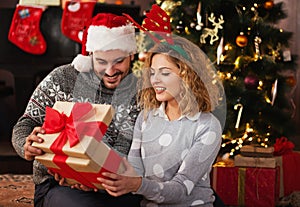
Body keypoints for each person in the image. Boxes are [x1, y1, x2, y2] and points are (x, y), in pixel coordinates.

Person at [11, 13, 143, 207]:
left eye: (119, 61)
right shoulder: (63, 78)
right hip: (58, 185)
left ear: (131, 54)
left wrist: (99, 181)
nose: (110, 70)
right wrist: (26, 145)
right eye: (101, 62)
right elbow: (25, 124)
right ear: (90, 55)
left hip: (116, 187)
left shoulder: (142, 92)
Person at [97, 30, 226, 206]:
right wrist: (90, 177)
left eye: (164, 73)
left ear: (186, 75)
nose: (155, 80)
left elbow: (180, 190)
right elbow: (134, 171)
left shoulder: (207, 126)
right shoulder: (146, 117)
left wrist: (137, 184)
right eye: (152, 73)